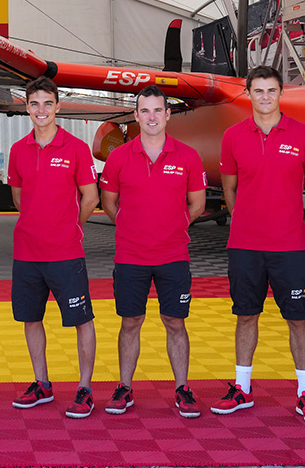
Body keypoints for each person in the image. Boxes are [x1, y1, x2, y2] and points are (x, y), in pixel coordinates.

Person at [212, 65, 305, 425]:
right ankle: (242, 388)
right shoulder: (232, 136)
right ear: (249, 94)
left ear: (281, 93)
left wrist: (301, 231)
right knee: (246, 315)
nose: (265, 97)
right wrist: (246, 219)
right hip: (245, 246)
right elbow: (229, 189)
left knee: (298, 318)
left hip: (289, 247)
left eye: (272, 90)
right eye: (258, 90)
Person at [99, 85, 206, 418]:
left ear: (168, 114)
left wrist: (171, 227)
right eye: (144, 111)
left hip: (174, 255)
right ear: (135, 115)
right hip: (130, 256)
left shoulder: (188, 155)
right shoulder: (118, 157)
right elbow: (109, 203)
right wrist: (133, 228)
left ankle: (182, 389)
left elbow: (198, 204)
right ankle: (125, 387)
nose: (151, 117)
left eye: (157, 110)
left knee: (175, 322)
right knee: (130, 321)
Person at [6, 77, 99, 418]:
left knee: (81, 320)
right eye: (35, 103)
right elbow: (19, 199)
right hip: (27, 253)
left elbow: (91, 197)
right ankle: (41, 383)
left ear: (58, 106)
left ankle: (85, 388)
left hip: (66, 252)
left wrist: (70, 226)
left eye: (48, 103)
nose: (41, 110)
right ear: (26, 107)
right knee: (31, 319)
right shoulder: (17, 150)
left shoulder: (76, 147)